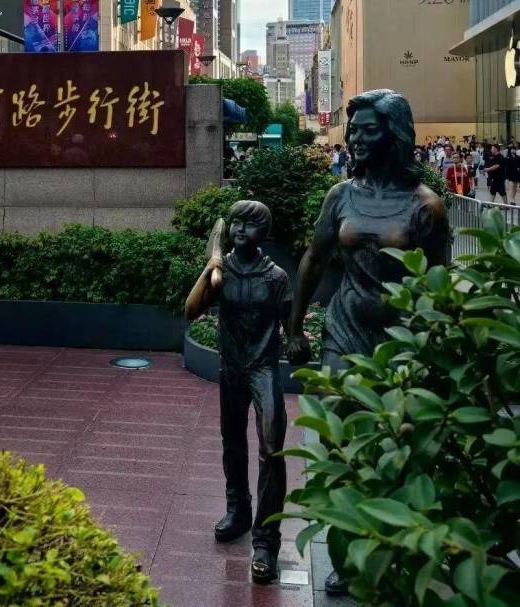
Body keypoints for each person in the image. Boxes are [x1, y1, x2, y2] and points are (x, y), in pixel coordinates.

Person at [286, 89, 449, 598]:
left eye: (368, 131)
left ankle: (396, 545)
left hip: (402, 340)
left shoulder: (427, 206)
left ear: (394, 136)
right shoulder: (341, 196)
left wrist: (438, 346)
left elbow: (439, 285)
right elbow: (314, 259)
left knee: (396, 446)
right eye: (353, 131)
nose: (356, 139)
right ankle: (347, 551)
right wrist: (294, 326)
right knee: (343, 442)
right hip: (345, 329)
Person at [185, 200, 291, 585]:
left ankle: (266, 541)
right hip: (231, 367)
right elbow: (190, 310)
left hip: (263, 368)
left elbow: (291, 324)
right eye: (236, 224)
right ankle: (238, 510)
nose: (241, 230)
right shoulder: (222, 271)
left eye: (250, 224)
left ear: (264, 232)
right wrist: (208, 268)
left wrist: (298, 340)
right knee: (232, 441)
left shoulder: (275, 277)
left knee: (271, 448)